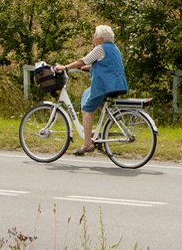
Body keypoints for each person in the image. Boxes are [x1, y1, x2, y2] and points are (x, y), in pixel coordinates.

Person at [55, 25, 129, 156]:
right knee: (92, 97)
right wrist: (89, 67)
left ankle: (87, 143)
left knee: (86, 110)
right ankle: (108, 124)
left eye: (95, 35)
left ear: (100, 38)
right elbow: (106, 64)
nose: (93, 37)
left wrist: (64, 67)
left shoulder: (100, 48)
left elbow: (82, 60)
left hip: (104, 85)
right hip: (116, 84)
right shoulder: (114, 48)